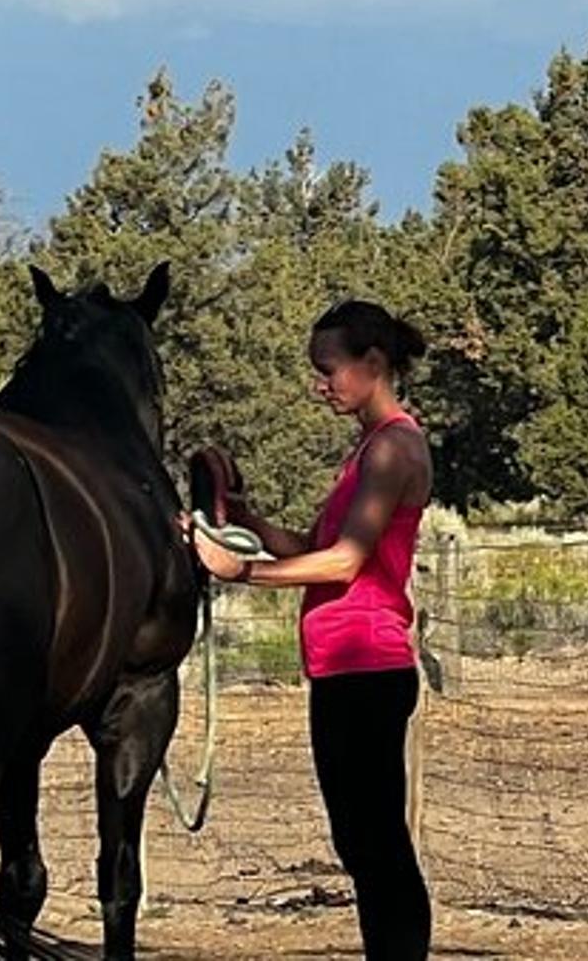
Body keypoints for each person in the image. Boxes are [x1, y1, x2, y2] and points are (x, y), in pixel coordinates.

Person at [185, 298, 434, 961]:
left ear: (372, 362)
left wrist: (239, 569)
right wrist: (246, 519)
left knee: (377, 843)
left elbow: (345, 561)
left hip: (370, 665)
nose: (319, 383)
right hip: (341, 667)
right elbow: (317, 545)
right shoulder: (367, 451)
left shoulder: (393, 449)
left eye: (328, 369)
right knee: (361, 841)